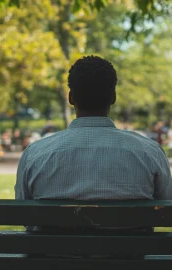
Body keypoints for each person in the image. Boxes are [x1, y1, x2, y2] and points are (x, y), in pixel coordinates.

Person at [15, 56, 172, 234]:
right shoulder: (149, 152)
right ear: (113, 97)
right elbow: (166, 209)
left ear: (71, 98)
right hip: (128, 260)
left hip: (55, 260)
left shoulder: (35, 154)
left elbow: (25, 216)